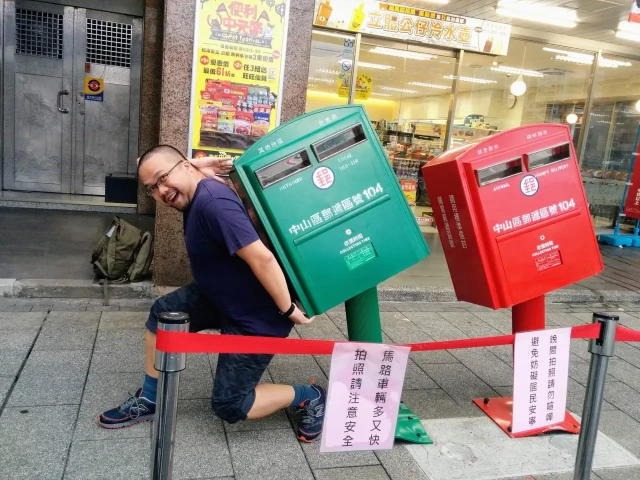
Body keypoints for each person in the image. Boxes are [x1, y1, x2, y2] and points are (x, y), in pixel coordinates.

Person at [98, 145, 326, 443]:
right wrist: (189, 165)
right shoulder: (195, 187)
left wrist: (286, 309)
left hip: (256, 316)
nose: (161, 191)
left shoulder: (213, 202)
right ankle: (151, 399)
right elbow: (151, 160)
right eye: (153, 188)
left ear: (186, 169)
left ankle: (310, 396)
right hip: (220, 297)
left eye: (163, 179)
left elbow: (262, 258)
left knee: (229, 405)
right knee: (163, 314)